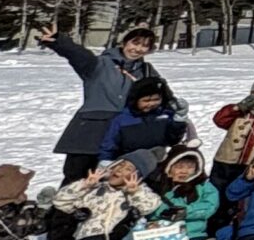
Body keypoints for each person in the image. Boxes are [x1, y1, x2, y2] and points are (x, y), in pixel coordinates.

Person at [38, 21, 162, 183]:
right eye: (135, 42)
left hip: (124, 131)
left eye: (145, 46)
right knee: (76, 178)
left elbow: (160, 98)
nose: (138, 49)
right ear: (125, 42)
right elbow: (78, 54)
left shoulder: (147, 72)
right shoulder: (100, 64)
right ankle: (64, 208)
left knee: (113, 180)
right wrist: (59, 41)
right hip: (90, 130)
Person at [50, 160, 162, 240]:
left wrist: (136, 192)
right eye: (118, 165)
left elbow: (150, 206)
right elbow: (60, 201)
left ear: (138, 176)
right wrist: (84, 185)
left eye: (128, 169)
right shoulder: (94, 190)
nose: (119, 170)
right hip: (90, 239)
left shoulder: (135, 193)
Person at [95, 73, 189, 170]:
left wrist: (179, 119)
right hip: (128, 165)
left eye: (156, 99)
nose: (151, 104)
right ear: (135, 100)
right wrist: (105, 160)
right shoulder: (122, 119)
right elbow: (109, 143)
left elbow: (174, 139)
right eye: (146, 100)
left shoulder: (165, 115)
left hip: (158, 162)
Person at [148, 148, 220, 240]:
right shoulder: (160, 187)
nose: (184, 171)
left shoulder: (203, 186)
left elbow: (210, 206)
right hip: (166, 234)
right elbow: (151, 208)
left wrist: (186, 211)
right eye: (179, 167)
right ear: (169, 168)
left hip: (194, 234)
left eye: (190, 167)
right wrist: (163, 212)